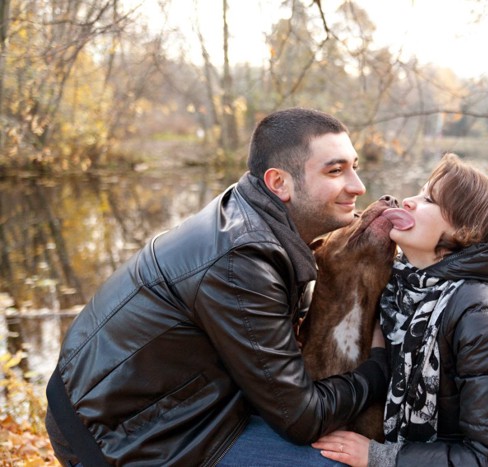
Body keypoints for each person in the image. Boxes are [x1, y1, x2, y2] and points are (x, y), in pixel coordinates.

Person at [44, 107, 389, 466]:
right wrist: (376, 371)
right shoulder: (242, 261)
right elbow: (301, 419)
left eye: (355, 167)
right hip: (121, 433)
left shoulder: (259, 219)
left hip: (172, 408)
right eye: (335, 170)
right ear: (279, 183)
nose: (358, 186)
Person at [312, 153, 488, 466]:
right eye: (419, 191)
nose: (410, 202)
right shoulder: (402, 290)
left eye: (429, 200)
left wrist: (381, 458)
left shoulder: (485, 318)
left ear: (464, 231)